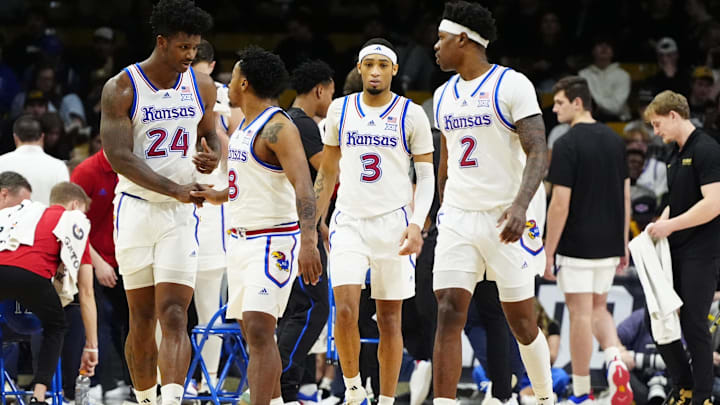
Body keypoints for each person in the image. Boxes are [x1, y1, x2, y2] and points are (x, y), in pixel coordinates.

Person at [431, 2, 553, 404]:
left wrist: (520, 205)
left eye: (442, 39)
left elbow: (538, 150)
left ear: (462, 40)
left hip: (506, 214)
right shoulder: (442, 95)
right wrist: (435, 209)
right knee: (449, 308)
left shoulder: (512, 84)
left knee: (520, 320)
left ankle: (544, 396)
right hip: (459, 215)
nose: (436, 47)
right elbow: (446, 162)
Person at [98, 1, 217, 404]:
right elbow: (119, 156)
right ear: (162, 42)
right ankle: (145, 398)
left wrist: (212, 154)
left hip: (179, 214)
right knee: (142, 318)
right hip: (134, 208)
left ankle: (171, 399)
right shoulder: (122, 86)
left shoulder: (202, 87)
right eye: (183, 47)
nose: (190, 56)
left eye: (195, 49)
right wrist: (173, 188)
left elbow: (210, 134)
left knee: (175, 314)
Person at [191, 46, 322, 405]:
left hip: (273, 242)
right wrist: (215, 195)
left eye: (232, 76)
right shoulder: (245, 126)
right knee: (252, 332)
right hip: (240, 240)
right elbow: (247, 184)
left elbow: (304, 187)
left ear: (244, 83)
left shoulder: (279, 127)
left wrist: (308, 242)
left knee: (262, 330)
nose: (228, 82)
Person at [313, 36, 435, 405]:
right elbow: (328, 171)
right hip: (348, 220)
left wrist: (417, 224)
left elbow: (426, 176)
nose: (376, 71)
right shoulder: (340, 109)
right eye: (370, 65)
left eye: (384, 65)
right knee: (346, 308)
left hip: (393, 223)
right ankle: (352, 389)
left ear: (394, 70)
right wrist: (313, 221)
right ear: (360, 68)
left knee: (389, 319)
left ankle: (384, 398)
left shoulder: (411, 113)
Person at [543, 76, 632, 405]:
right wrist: (622, 244)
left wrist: (548, 251)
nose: (554, 109)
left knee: (579, 314)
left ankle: (582, 394)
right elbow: (625, 195)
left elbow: (560, 203)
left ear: (578, 103)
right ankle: (615, 358)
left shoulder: (566, 144)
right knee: (598, 308)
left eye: (560, 103)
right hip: (609, 242)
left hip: (577, 244)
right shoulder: (614, 140)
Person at [646, 90, 720, 405]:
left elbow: (715, 203)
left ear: (674, 116)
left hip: (702, 251)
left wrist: (670, 225)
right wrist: (657, 226)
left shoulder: (707, 149)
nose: (655, 131)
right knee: (660, 319)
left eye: (657, 123)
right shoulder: (673, 153)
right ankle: (684, 385)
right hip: (674, 249)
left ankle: (702, 396)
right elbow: (677, 203)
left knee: (694, 323)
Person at [0, 182, 98, 403]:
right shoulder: (73, 221)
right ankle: (39, 396)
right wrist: (92, 346)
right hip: (31, 277)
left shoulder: (24, 211)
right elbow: (87, 292)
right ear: (75, 205)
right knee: (55, 327)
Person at [279, 59, 334, 403]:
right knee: (312, 309)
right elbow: (327, 176)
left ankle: (285, 389)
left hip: (285, 224)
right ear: (319, 89)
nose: (331, 99)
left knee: (295, 310)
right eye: (331, 92)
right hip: (300, 229)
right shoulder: (306, 127)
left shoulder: (281, 120)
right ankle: (280, 381)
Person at [188, 38, 238, 394]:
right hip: (181, 199)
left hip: (210, 204)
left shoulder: (223, 96)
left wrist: (216, 136)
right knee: (188, 306)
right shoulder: (169, 91)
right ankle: (183, 382)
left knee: (208, 306)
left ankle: (204, 381)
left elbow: (234, 152)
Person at [70, 149, 129, 400]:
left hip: (126, 259)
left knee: (129, 323)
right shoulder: (86, 171)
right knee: (95, 323)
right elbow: (73, 223)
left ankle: (129, 383)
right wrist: (99, 262)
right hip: (91, 260)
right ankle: (95, 383)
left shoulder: (132, 166)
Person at [0, 114, 69, 205]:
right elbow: (64, 205)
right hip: (47, 218)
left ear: (15, 138)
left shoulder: (1, 162)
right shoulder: (59, 166)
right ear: (42, 137)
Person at [578, 37, 632, 122]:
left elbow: (616, 108)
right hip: (591, 119)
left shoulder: (623, 75)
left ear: (613, 51)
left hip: (618, 120)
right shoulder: (583, 75)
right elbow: (587, 105)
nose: (604, 48)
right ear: (592, 50)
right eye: (600, 44)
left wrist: (595, 101)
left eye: (608, 45)